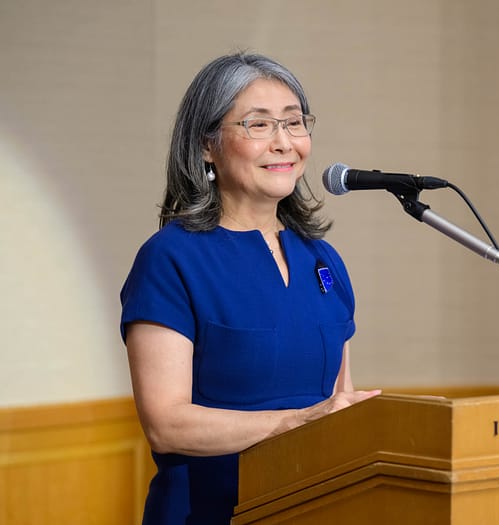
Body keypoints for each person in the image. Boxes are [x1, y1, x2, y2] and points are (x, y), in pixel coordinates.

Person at [120, 52, 380, 525]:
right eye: (258, 126)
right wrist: (292, 422)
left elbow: (338, 402)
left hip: (311, 508)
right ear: (206, 146)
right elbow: (166, 424)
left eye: (294, 122)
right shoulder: (171, 258)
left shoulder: (323, 260)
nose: (284, 143)